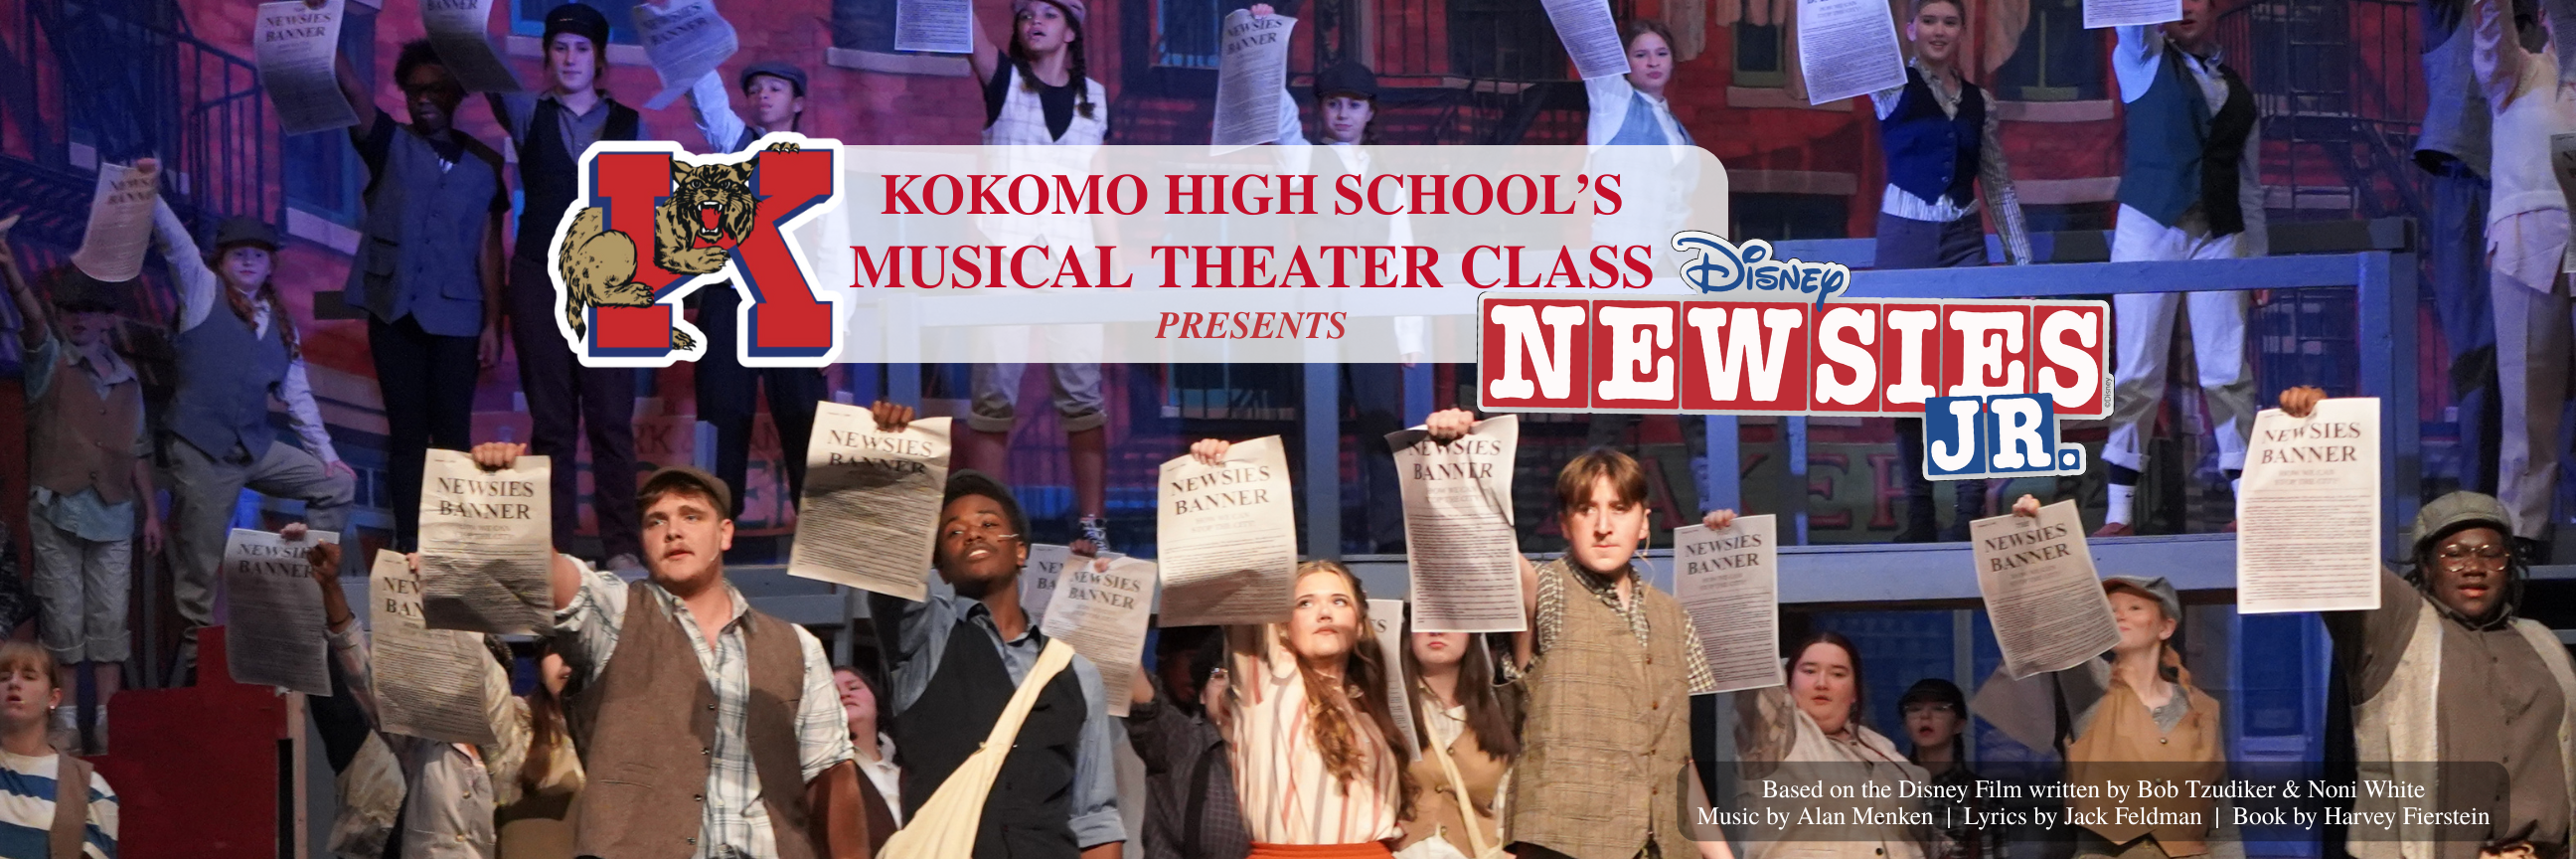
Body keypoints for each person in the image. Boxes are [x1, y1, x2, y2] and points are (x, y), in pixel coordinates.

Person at [2281, 385, 2576, 859]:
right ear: (2428, 569)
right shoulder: (2400, 627)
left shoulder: (2541, 643)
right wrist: (2311, 435)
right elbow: (2330, 546)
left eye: (2490, 553)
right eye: (2454, 555)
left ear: (2509, 566)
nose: (2474, 566)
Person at [529, 446, 868, 858]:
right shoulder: (617, 615)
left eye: (691, 516)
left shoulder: (797, 646)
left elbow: (830, 776)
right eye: (657, 522)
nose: (673, 531)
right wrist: (504, 489)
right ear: (644, 541)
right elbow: (560, 581)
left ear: (724, 533)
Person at [1419, 409, 1726, 859]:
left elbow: (1678, 765)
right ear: (1566, 524)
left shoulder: (1672, 618)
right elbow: (1484, 536)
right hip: (1564, 845)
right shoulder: (1547, 591)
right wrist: (1456, 447)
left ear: (1643, 522)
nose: (1603, 526)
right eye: (1587, 510)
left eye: (1619, 509)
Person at [865, 402, 1126, 859]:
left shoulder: (1078, 673)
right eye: (953, 532)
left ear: (1021, 551)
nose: (972, 533)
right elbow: (886, 569)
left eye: (988, 524)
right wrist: (894, 456)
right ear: (939, 569)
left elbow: (1094, 817)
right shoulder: (926, 639)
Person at [146, 183, 358, 687]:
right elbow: (175, 244)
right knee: (199, 559)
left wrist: (327, 456)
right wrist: (149, 192)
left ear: (269, 266)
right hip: (200, 446)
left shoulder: (280, 323)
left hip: (251, 446)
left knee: (337, 484)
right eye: (238, 254)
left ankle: (314, 586)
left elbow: (299, 397)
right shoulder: (201, 292)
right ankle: (201, 656)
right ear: (222, 260)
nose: (247, 262)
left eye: (257, 256)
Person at [483, 3, 647, 569]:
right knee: (553, 422)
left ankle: (622, 546)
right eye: (559, 47)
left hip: (613, 282)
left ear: (598, 58)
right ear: (547, 55)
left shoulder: (630, 123)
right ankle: (558, 551)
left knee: (610, 419)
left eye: (581, 48)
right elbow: (476, 58)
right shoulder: (528, 112)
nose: (570, 57)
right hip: (539, 277)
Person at [330, 38, 508, 553]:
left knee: (451, 434)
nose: (422, 98)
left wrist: (493, 324)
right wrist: (327, 21)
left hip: (458, 317)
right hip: (395, 310)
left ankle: (451, 543)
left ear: (456, 93)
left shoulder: (486, 166)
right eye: (413, 91)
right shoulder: (389, 144)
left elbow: (487, 250)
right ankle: (409, 541)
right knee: (406, 434)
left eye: (434, 89)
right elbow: (353, 90)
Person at [2095, 0, 2266, 537]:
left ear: (2216, 10)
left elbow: (2249, 184)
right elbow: (2129, 15)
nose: (2185, 7)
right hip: (2151, 223)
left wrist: (2255, 263)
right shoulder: (2142, 57)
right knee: (2140, 369)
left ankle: (2247, 502)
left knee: (2226, 369)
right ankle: (2119, 511)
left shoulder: (2236, 87)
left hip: (2218, 231)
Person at [1969, 522, 2228, 859]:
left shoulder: (2202, 709)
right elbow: (2053, 617)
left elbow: (2221, 813)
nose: (2120, 616)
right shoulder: (2092, 689)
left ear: (2166, 626)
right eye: (2111, 610)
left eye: (2135, 608)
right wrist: (2031, 530)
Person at [1869, 0, 2030, 543]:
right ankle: (1918, 513)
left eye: (1950, 22)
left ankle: (1967, 511)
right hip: (1905, 239)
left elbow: (1999, 183)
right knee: (1908, 382)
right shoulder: (1891, 85)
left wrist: (2022, 269)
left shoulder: (1980, 102)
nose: (1940, 31)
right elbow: (1855, 54)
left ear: (1963, 31)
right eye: (1929, 21)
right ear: (1911, 29)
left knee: (1973, 378)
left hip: (1964, 240)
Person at [961, 0, 1115, 553]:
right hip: (1003, 257)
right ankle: (988, 526)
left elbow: (1099, 190)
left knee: (1082, 395)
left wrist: (1113, 265)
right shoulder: (1003, 78)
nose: (1034, 22)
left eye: (1048, 14)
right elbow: (965, 26)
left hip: (1073, 260)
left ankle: (1092, 523)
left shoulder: (1095, 97)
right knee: (994, 395)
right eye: (1025, 14)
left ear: (1071, 30)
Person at [4, 238, 156, 753]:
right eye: (72, 311)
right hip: (59, 508)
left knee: (110, 618)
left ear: (107, 320)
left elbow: (136, 450)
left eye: (91, 312)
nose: (80, 320)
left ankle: (108, 719)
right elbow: (31, 322)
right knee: (64, 617)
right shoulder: (49, 363)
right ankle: (67, 718)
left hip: (113, 512)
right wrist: (9, 265)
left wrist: (152, 514)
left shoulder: (128, 378)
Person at [297, 525, 528, 859]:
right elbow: (362, 674)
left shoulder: (521, 733)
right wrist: (331, 587)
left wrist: (444, 590)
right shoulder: (421, 740)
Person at [682, 60, 832, 523]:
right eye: (755, 88)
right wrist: (693, 39)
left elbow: (834, 251)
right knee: (723, 415)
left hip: (793, 300)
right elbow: (706, 102)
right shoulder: (736, 146)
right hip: (730, 298)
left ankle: (824, 548)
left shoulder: (820, 161)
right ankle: (715, 540)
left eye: (775, 88)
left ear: (798, 102)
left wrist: (835, 326)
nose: (762, 95)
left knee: (804, 420)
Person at [2476, 0, 2576, 557]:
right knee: (2528, 393)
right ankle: (2523, 528)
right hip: (2529, 242)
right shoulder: (2522, 71)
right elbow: (2491, 37)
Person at [1729, 624, 1927, 859]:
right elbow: (1749, 669)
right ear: (1789, 683)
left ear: (1854, 691)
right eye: (1809, 671)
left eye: (1838, 674)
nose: (1822, 683)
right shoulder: (1774, 736)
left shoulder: (1880, 747)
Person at [1124, 628, 1250, 859]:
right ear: (1201, 694)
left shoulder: (1281, 757)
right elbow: (1137, 689)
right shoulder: (1181, 741)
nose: (1230, 687)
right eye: (1220, 675)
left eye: (1241, 677)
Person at [1396, 620, 1518, 857]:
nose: (1436, 631)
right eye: (1423, 620)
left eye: (1450, 621)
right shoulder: (1387, 707)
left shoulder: (1501, 710)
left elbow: (1507, 798)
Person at [0, 641, 117, 859]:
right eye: (4, 677)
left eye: (28, 676)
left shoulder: (90, 787)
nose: (14, 683)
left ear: (53, 698)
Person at [498, 640, 585, 859]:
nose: (566, 661)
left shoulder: (625, 729)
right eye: (554, 650)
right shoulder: (515, 718)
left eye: (578, 648)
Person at [1898, 679, 1986, 859]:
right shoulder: (1888, 784)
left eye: (1939, 708)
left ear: (1959, 724)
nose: (1925, 716)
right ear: (1905, 725)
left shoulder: (1979, 794)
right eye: (1914, 709)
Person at [831, 665, 901, 854]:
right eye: (832, 691)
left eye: (853, 688)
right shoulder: (823, 773)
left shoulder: (908, 772)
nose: (844, 694)